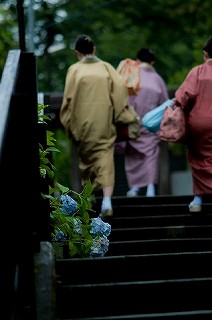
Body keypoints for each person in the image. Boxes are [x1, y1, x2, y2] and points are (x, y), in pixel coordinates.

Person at [59, 34, 138, 218]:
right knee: (105, 159)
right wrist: (121, 115)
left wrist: (69, 124)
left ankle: (89, 200)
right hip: (104, 122)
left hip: (82, 123)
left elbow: (68, 100)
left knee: (86, 161)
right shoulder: (106, 68)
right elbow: (119, 93)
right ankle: (107, 201)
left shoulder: (74, 70)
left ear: (77, 52)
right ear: (94, 49)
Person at [116, 48, 169, 197]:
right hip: (151, 124)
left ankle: (134, 188)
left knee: (132, 154)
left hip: (132, 121)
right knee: (150, 155)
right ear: (152, 62)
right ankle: (151, 188)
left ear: (138, 60)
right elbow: (165, 104)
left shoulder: (132, 75)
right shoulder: (158, 79)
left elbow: (123, 97)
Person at [174, 37, 212, 212]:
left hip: (199, 123)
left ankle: (197, 200)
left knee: (198, 158)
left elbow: (183, 97)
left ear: (205, 54)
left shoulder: (197, 72)